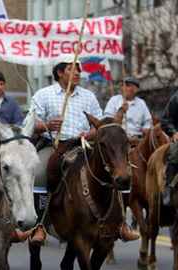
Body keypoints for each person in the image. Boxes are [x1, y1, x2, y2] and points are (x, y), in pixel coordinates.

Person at [26, 54, 139, 243]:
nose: (77, 72)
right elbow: (29, 124)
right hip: (56, 146)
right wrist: (47, 125)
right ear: (60, 72)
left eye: (78, 68)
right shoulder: (43, 95)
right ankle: (40, 225)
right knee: (39, 173)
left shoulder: (88, 96)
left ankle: (120, 224)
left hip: (85, 146)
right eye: (72, 69)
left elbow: (101, 124)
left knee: (118, 170)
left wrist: (90, 133)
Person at [161, 90, 178, 204]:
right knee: (174, 152)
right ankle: (169, 187)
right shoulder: (176, 98)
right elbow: (166, 120)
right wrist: (174, 132)